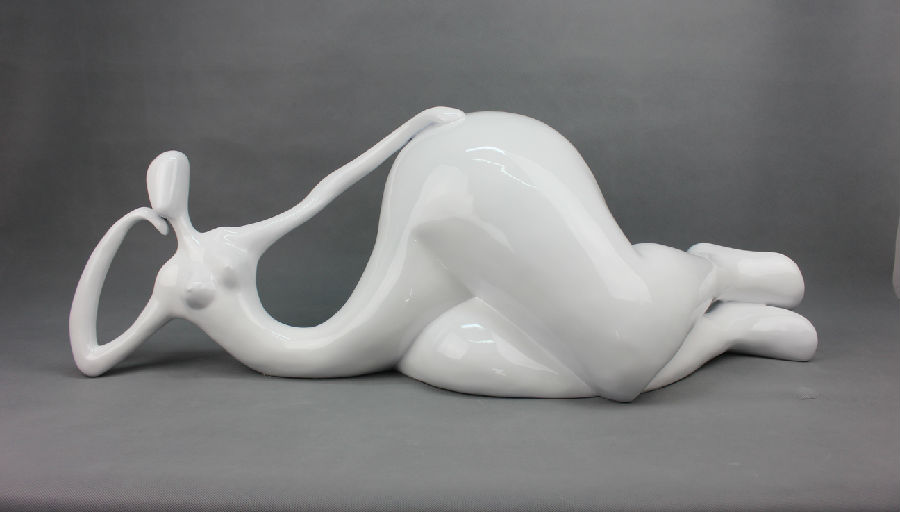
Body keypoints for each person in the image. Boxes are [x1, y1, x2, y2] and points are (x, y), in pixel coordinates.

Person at [70, 107, 817, 402]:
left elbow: (323, 194)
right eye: (194, 299)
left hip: (471, 185)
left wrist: (416, 130)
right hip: (443, 228)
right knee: (449, 352)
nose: (200, 288)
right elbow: (94, 353)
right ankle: (724, 328)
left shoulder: (221, 240)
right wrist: (125, 242)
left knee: (621, 367)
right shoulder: (177, 285)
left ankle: (712, 270)